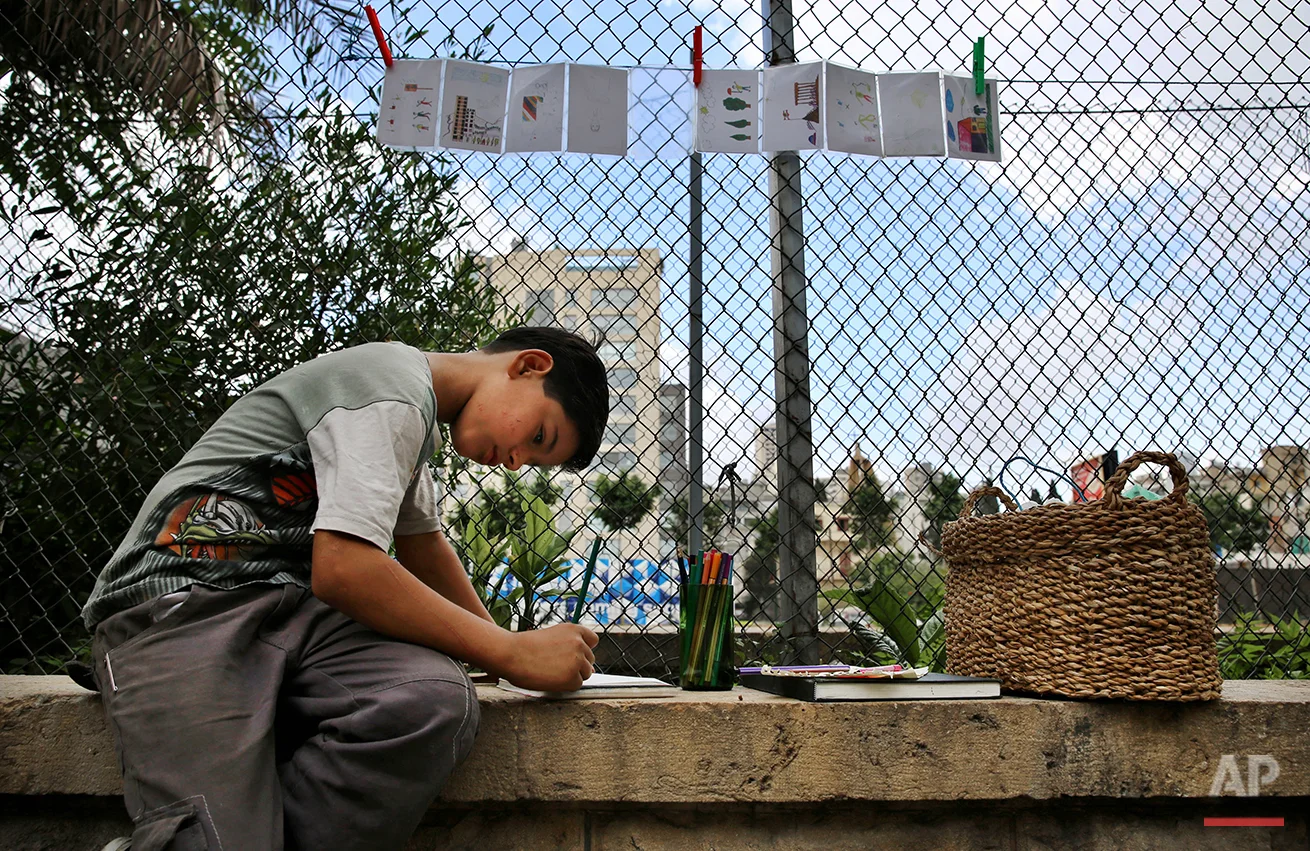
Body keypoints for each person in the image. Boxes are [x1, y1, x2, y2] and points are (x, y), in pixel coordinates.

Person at [82, 327, 608, 851]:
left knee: (428, 701)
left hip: (288, 611)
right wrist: (510, 651)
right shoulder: (390, 389)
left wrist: (498, 657)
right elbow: (346, 570)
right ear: (528, 365)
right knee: (215, 842)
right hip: (183, 605)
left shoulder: (409, 410)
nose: (517, 461)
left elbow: (422, 546)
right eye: (539, 437)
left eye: (534, 461)